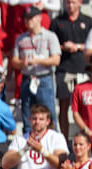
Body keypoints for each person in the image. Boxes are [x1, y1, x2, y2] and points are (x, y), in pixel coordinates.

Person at [10, 6, 61, 134]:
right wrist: (23, 63)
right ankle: (29, 145)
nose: (28, 21)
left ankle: (53, 145)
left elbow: (56, 60)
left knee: (49, 114)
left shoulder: (50, 36)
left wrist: (38, 61)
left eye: (31, 18)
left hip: (44, 78)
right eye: (26, 19)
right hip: (27, 79)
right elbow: (14, 61)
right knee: (28, 114)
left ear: (39, 18)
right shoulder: (21, 39)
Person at [50, 0, 92, 139]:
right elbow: (52, 44)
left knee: (85, 104)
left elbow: (89, 45)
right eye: (67, 2)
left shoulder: (88, 21)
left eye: (73, 2)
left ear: (80, 3)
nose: (70, 5)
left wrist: (78, 46)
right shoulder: (57, 22)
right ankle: (64, 137)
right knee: (63, 104)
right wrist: (63, 47)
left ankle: (85, 137)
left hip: (83, 69)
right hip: (64, 68)